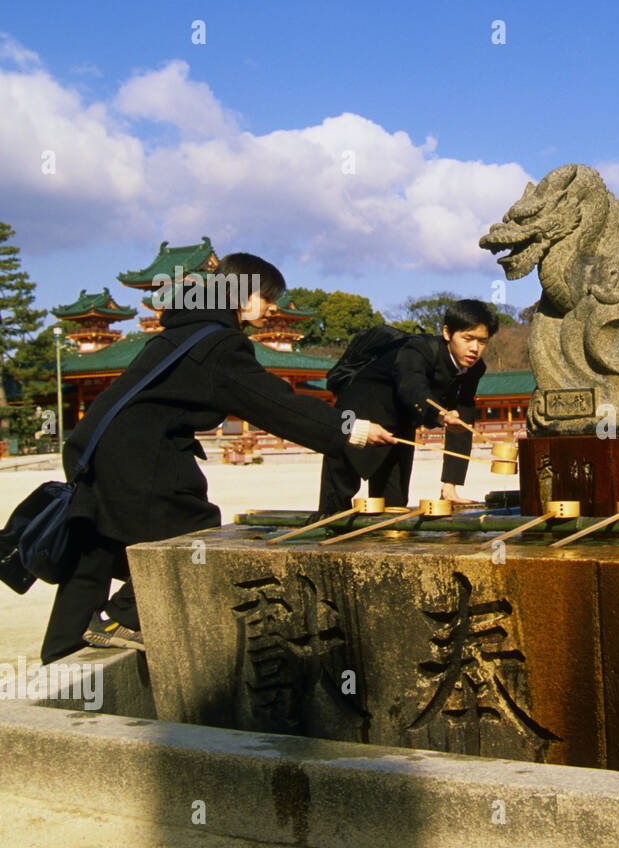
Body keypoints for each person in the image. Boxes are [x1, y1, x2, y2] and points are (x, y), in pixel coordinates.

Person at [41, 253, 396, 661]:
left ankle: (63, 650)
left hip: (95, 445)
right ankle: (123, 617)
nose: (272, 307)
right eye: (266, 297)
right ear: (242, 296)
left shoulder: (186, 330)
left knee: (98, 543)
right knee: (195, 529)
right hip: (142, 451)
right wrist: (350, 428)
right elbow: (274, 403)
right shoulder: (218, 343)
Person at [317, 299, 497, 514]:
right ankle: (328, 525)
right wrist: (440, 416)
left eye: (482, 341)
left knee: (394, 504)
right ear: (447, 333)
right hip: (358, 411)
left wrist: (450, 485)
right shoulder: (418, 349)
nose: (475, 348)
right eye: (468, 339)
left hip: (402, 419)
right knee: (339, 494)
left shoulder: (475, 369)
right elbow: (412, 387)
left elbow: (462, 418)